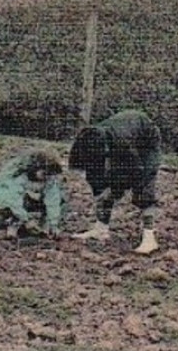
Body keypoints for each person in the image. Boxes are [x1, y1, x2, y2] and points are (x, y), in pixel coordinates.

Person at [67, 109, 163, 255]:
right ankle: (101, 229)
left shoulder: (123, 144)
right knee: (105, 183)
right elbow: (92, 172)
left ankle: (149, 237)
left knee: (144, 184)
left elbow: (135, 172)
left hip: (145, 142)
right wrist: (100, 191)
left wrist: (114, 190)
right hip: (120, 140)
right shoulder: (86, 140)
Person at [0, 149, 68, 239]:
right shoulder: (19, 177)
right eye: (44, 173)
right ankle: (9, 225)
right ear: (36, 167)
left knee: (60, 200)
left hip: (22, 205)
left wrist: (53, 224)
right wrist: (26, 220)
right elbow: (13, 200)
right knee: (14, 204)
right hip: (5, 201)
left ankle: (42, 228)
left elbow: (53, 201)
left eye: (50, 174)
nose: (47, 177)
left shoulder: (49, 181)